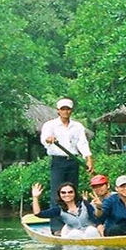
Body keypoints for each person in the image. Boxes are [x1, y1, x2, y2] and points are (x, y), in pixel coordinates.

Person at [40, 97, 94, 231]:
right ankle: (57, 227)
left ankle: (75, 224)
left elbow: (82, 143)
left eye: (68, 109)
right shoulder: (50, 125)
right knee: (57, 194)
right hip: (58, 161)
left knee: (72, 193)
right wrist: (49, 139)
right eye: (63, 109)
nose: (65, 111)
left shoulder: (77, 126)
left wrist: (88, 159)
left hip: (73, 161)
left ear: (71, 111)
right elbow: (44, 139)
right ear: (58, 111)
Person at [30, 181, 100, 238]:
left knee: (91, 230)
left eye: (70, 192)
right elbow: (38, 213)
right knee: (75, 233)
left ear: (75, 193)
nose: (67, 194)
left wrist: (99, 207)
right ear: (60, 195)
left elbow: (95, 218)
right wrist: (35, 197)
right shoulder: (58, 210)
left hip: (90, 234)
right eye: (63, 192)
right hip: (74, 235)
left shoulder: (84, 203)